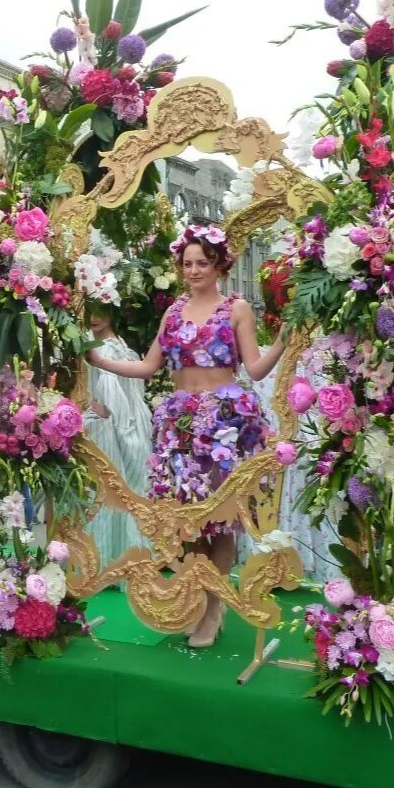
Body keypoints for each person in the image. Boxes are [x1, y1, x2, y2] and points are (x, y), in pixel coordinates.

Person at [86, 225, 288, 647]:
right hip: (179, 428)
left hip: (225, 425)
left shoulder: (237, 309)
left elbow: (254, 369)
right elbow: (146, 367)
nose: (194, 270)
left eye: (202, 262)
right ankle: (200, 600)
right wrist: (94, 359)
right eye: (187, 263)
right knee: (188, 524)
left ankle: (213, 612)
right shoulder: (174, 311)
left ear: (219, 265)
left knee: (221, 519)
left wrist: (285, 340)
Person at [83, 301, 154, 569]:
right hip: (103, 422)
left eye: (101, 310)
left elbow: (127, 391)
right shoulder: (88, 342)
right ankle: (101, 560)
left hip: (122, 422)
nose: (94, 317)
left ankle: (125, 558)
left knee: (123, 483)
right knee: (103, 485)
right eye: (90, 310)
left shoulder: (119, 347)